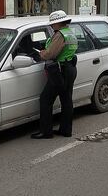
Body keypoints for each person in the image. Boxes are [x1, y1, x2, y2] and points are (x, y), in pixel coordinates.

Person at [31, 10, 79, 139]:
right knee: (66, 99)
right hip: (70, 68)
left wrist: (41, 53)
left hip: (60, 71)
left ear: (58, 23)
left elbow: (50, 54)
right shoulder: (70, 33)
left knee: (45, 99)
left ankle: (46, 131)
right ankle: (65, 130)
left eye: (53, 24)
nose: (52, 26)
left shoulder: (59, 35)